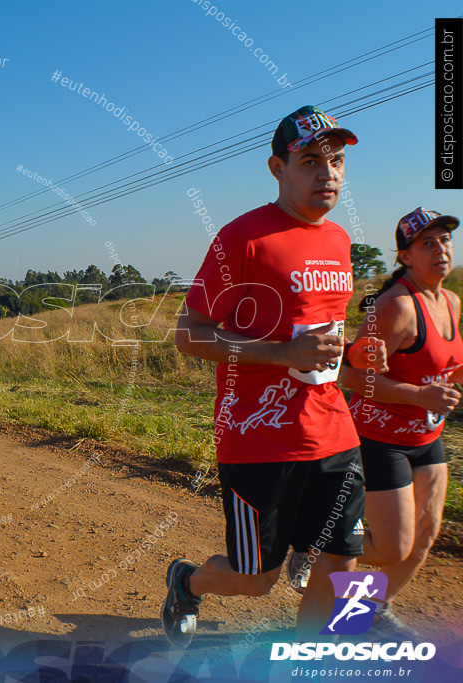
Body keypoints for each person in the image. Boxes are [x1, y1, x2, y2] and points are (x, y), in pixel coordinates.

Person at [160, 106, 386, 645]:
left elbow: (320, 334)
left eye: (336, 160)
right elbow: (189, 334)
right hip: (258, 440)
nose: (327, 173)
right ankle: (187, 580)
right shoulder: (243, 239)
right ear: (276, 168)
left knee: (341, 561)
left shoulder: (338, 242)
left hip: (333, 431)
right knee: (254, 581)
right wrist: (285, 354)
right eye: (310, 160)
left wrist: (353, 353)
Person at [340, 208, 461, 637]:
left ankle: (366, 612)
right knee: (393, 546)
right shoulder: (396, 307)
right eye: (427, 243)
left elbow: (443, 364)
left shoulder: (451, 301)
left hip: (427, 436)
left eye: (444, 240)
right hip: (378, 438)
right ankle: (320, 542)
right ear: (405, 257)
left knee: (425, 537)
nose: (440, 249)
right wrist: (420, 395)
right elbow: (351, 375)